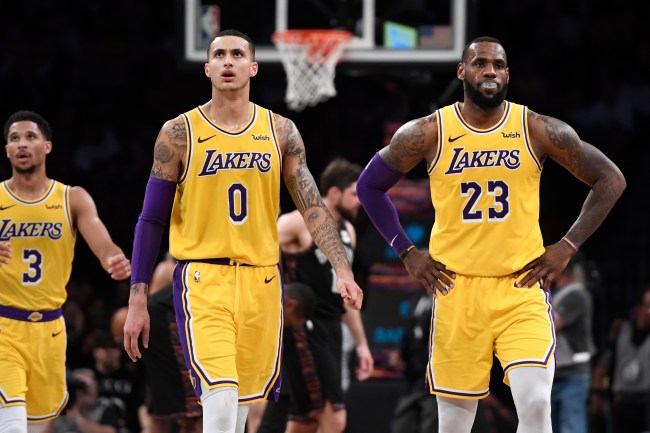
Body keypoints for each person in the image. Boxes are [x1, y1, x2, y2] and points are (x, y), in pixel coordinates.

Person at [356, 36, 626, 433]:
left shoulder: (535, 128)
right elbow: (368, 186)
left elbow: (610, 179)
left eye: (498, 65)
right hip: (457, 290)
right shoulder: (430, 132)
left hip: (520, 287)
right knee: (452, 425)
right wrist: (407, 251)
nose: (490, 71)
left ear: (508, 74)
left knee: (536, 404)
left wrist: (567, 246)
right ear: (461, 71)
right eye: (480, 63)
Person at [122, 29, 363, 433]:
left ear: (253, 67)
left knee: (238, 412)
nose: (228, 61)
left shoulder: (281, 131)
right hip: (204, 279)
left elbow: (313, 207)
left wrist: (342, 269)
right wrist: (137, 297)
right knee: (219, 400)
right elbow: (151, 220)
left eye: (237, 54)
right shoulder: (178, 133)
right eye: (219, 55)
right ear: (207, 68)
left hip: (262, 282)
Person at [0, 110, 132, 433]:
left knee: (36, 426)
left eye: (30, 136)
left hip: (50, 331)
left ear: (47, 146)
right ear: (7, 150)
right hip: (4, 326)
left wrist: (113, 258)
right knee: (12, 424)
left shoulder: (72, 198)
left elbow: (104, 245)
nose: (22, 143)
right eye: (14, 138)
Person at [258, 158, 374, 433]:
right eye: (354, 194)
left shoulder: (348, 232)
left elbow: (344, 298)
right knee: (333, 416)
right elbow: (258, 246)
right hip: (304, 327)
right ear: (334, 192)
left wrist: (361, 344)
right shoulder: (298, 222)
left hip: (332, 327)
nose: (359, 201)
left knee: (306, 418)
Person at [550, 251, 596, 433]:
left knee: (571, 427)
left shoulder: (576, 294)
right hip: (558, 373)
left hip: (573, 374)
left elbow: (553, 324)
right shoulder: (558, 293)